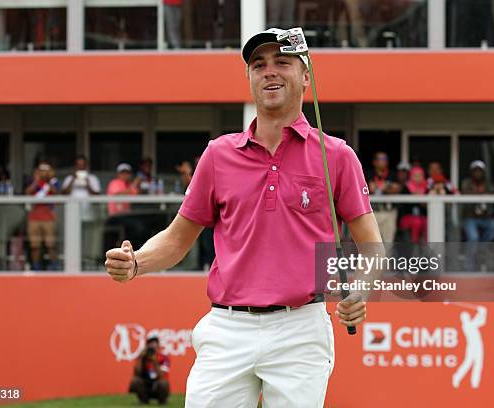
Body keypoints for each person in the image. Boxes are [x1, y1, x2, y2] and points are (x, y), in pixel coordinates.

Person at [106, 27, 381, 407]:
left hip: (300, 327)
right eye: (258, 64)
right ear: (249, 79)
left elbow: (373, 248)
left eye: (282, 62)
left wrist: (361, 288)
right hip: (227, 327)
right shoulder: (218, 155)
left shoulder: (336, 155)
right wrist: (137, 262)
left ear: (305, 77)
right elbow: (176, 239)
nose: (269, 71)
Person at [25, 161, 59, 271]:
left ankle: (53, 266)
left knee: (51, 244)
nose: (44, 173)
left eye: (46, 171)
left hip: (48, 217)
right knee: (35, 245)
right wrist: (37, 180)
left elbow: (56, 193)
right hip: (34, 217)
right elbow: (27, 192)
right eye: (41, 171)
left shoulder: (53, 182)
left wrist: (48, 181)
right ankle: (36, 267)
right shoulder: (34, 182)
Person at [129, 334, 171, 405]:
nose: (152, 345)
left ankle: (162, 401)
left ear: (158, 345)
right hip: (146, 384)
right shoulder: (143, 357)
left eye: (154, 343)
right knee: (136, 381)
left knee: (163, 383)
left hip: (158, 385)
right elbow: (137, 373)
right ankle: (143, 400)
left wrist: (155, 362)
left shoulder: (164, 358)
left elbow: (162, 376)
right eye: (150, 343)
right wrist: (141, 359)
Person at [367, 151, 399, 242]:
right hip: (372, 212)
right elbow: (366, 188)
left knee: (388, 241)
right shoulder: (368, 174)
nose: (383, 161)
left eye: (384, 159)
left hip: (388, 212)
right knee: (372, 242)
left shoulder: (392, 174)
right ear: (374, 162)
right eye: (380, 159)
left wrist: (386, 188)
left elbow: (397, 188)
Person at [61, 155, 101, 219]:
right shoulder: (69, 178)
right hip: (71, 214)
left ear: (86, 166)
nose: (80, 168)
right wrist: (72, 179)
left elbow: (97, 196)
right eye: (78, 165)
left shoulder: (93, 178)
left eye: (83, 165)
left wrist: (87, 183)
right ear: (75, 166)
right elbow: (63, 194)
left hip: (87, 214)